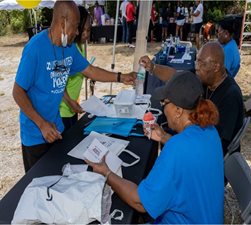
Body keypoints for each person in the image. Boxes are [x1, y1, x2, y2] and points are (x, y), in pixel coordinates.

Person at [12, 0, 136, 173]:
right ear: (63, 22)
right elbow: (17, 92)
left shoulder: (68, 48)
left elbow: (90, 70)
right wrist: (41, 124)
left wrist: (120, 77)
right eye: (76, 26)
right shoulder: (35, 48)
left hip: (56, 128)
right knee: (40, 184)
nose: (77, 32)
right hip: (35, 134)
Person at [86, 71, 224, 224]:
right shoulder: (210, 130)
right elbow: (192, 154)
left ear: (178, 111)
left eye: (165, 103)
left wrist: (106, 173)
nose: (163, 108)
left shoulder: (177, 149)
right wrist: (164, 137)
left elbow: (140, 203)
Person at [139, 42, 244, 156]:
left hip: (211, 153)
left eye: (201, 64)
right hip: (197, 137)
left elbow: (214, 147)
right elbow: (177, 77)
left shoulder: (230, 96)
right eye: (196, 61)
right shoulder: (207, 77)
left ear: (216, 67)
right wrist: (153, 67)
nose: (197, 68)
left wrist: (170, 140)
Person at [59, 6, 90, 131]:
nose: (86, 35)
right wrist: (70, 102)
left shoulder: (79, 48)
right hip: (63, 110)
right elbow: (58, 82)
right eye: (83, 30)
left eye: (89, 30)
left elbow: (86, 69)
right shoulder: (67, 50)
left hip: (72, 107)